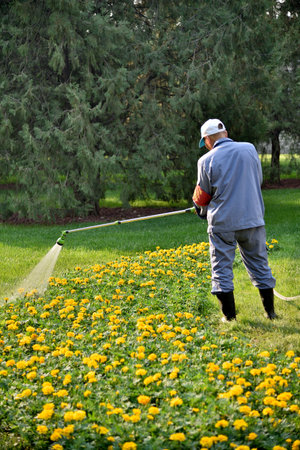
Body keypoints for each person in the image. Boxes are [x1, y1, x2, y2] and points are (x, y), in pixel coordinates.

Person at [192, 118, 276, 322]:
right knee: (260, 265)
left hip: (223, 223)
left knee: (221, 268)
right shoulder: (249, 149)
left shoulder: (205, 160)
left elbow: (202, 195)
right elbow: (257, 180)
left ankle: (229, 318)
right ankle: (271, 313)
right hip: (253, 219)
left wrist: (200, 209)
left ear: (207, 140)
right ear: (226, 134)